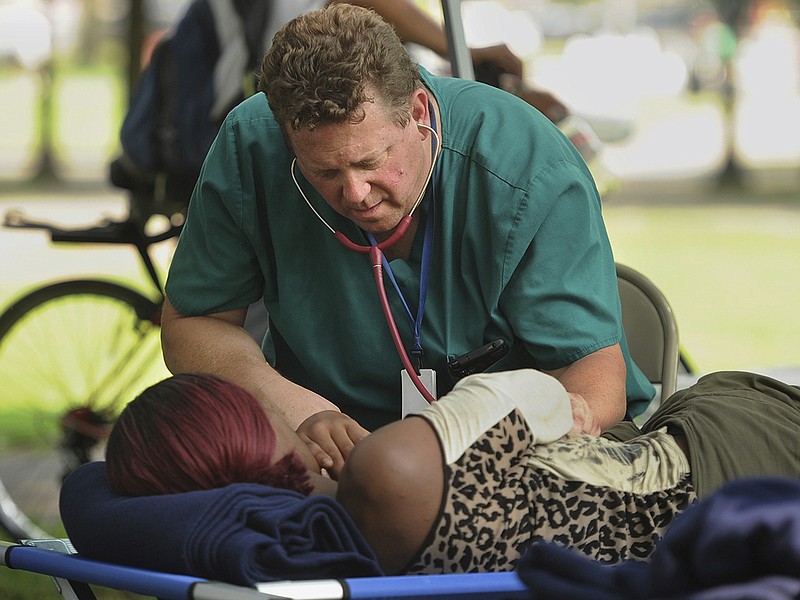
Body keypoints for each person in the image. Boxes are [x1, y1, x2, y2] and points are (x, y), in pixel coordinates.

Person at [159, 4, 654, 475]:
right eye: (324, 171)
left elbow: (593, 378)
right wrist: (297, 409)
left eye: (371, 162)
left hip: (508, 454)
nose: (355, 193)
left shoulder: (526, 164)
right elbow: (193, 322)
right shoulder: (250, 143)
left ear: (418, 111)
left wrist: (518, 438)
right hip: (327, 452)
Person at [103, 369, 800, 577]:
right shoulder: (389, 469)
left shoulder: (298, 549)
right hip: (717, 467)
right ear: (254, 426)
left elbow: (89, 494)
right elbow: (550, 398)